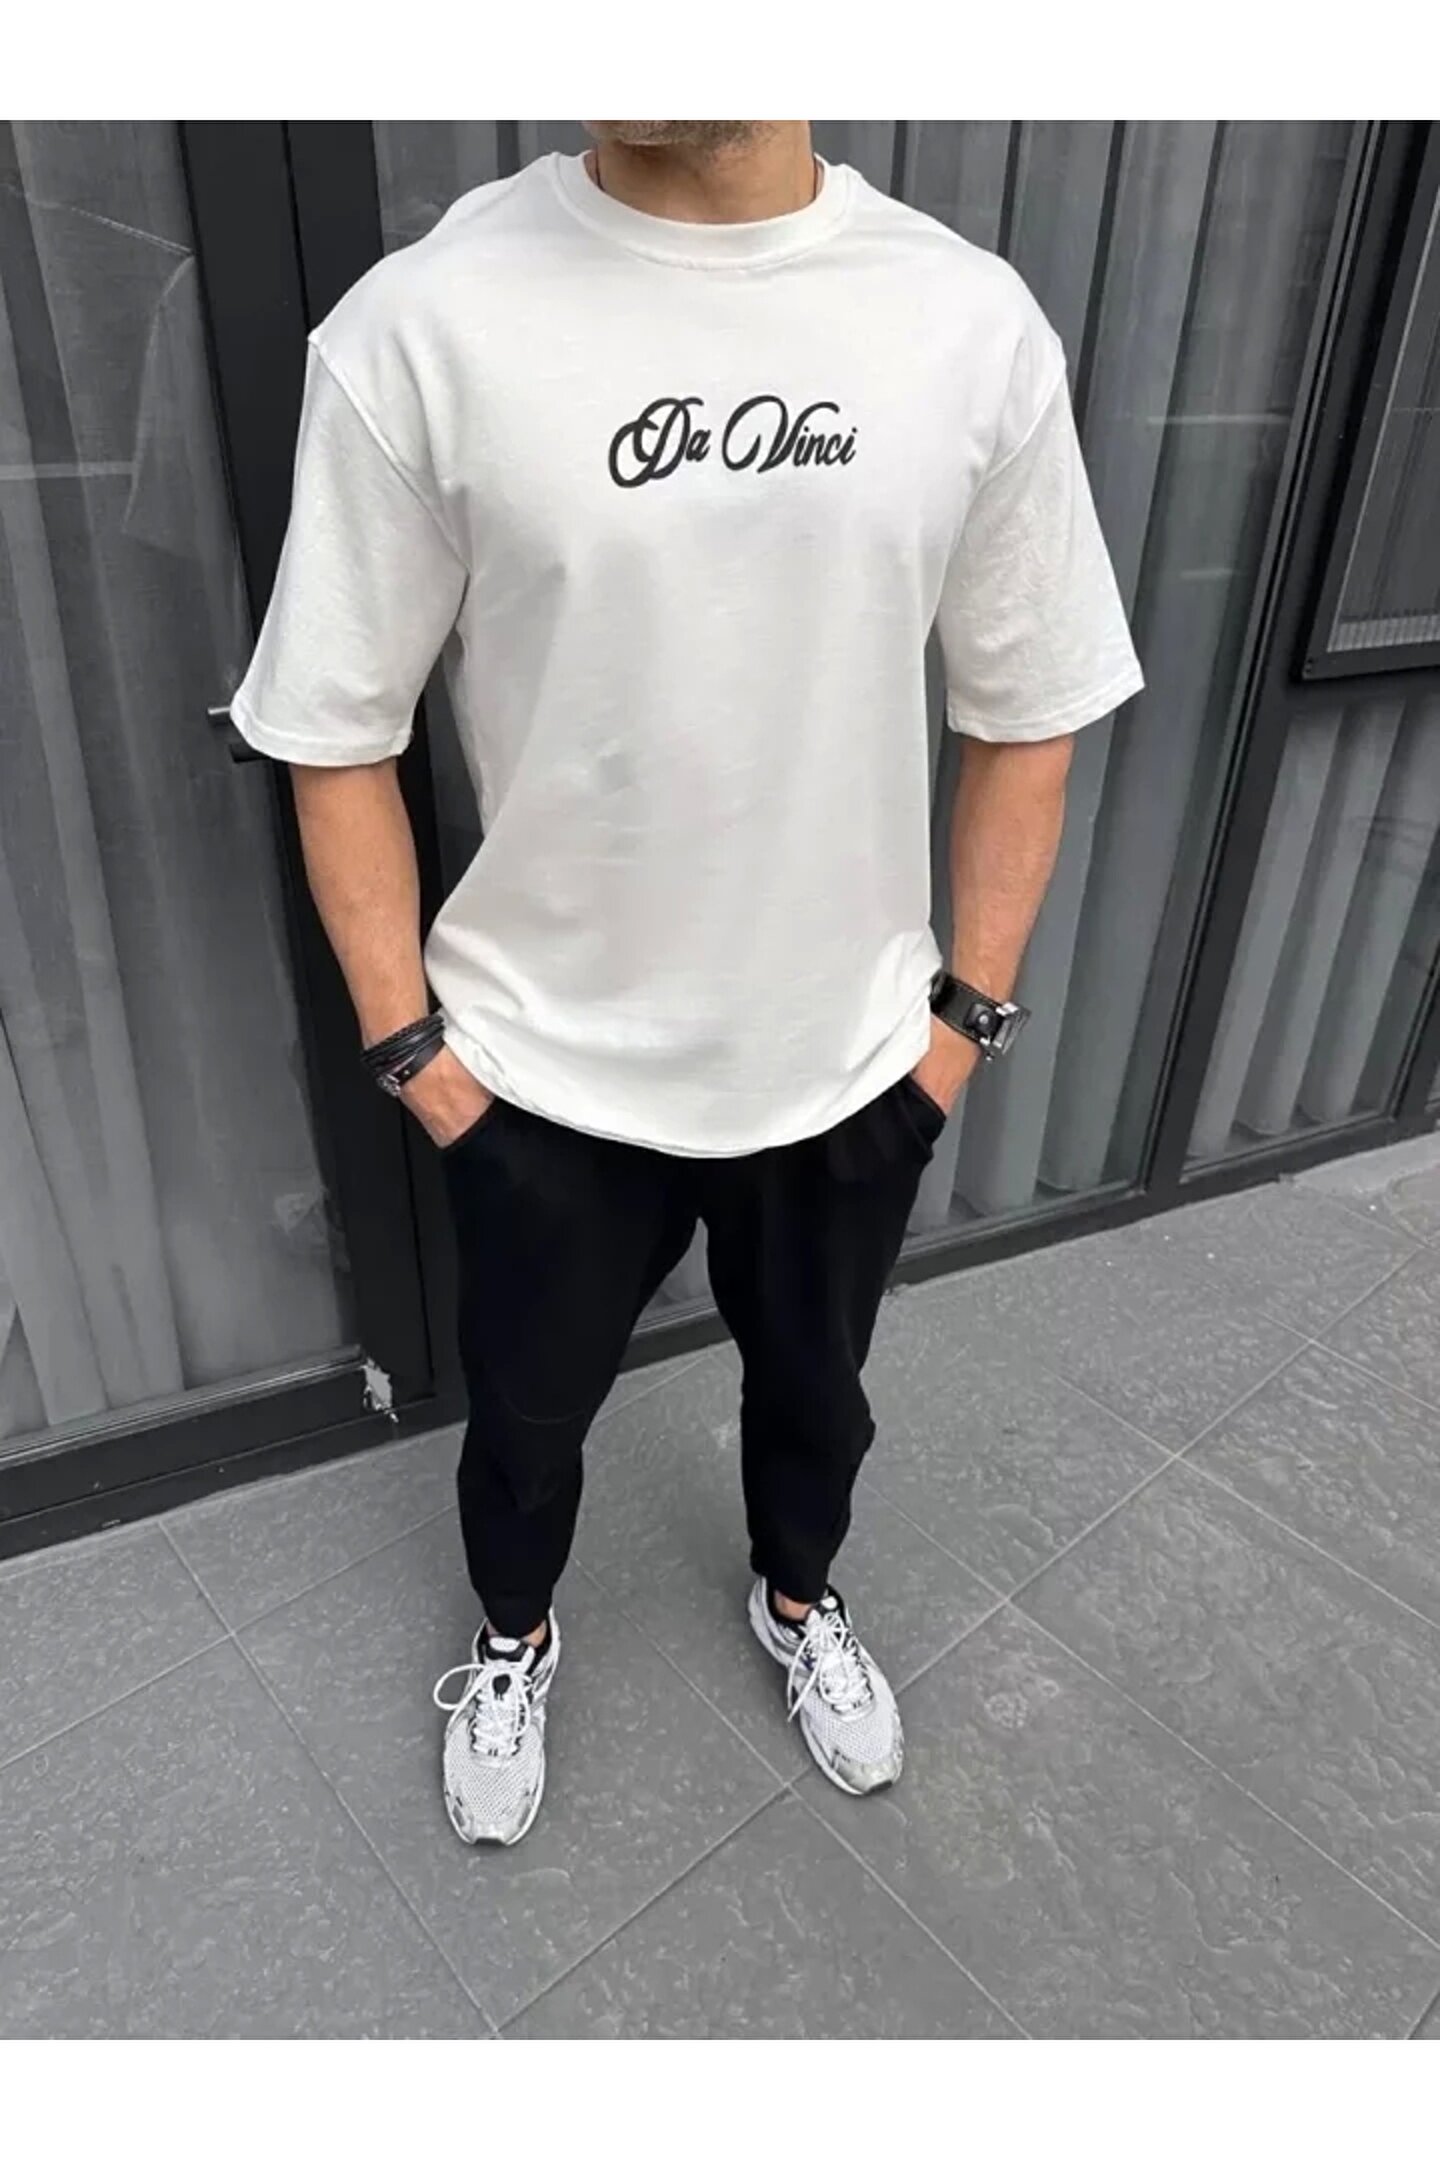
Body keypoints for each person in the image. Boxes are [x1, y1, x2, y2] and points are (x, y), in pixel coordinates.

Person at [229, 119, 1144, 1847]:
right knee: (524, 1422)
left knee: (820, 1397)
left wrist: (960, 1030)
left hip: (847, 1060)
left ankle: (799, 1600)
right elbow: (332, 726)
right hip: (543, 1075)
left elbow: (1033, 702)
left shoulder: (965, 323)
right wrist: (415, 1054)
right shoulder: (425, 326)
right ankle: (514, 1639)